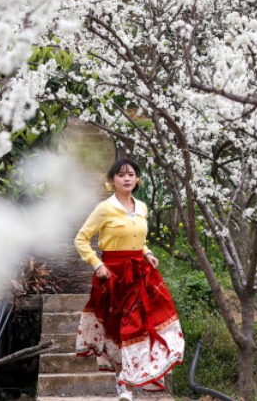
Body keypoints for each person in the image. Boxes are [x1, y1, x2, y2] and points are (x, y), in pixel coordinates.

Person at [74, 159, 184, 401]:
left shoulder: (142, 207)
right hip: (113, 275)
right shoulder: (104, 208)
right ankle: (122, 383)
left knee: (141, 325)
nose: (126, 178)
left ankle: (128, 385)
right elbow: (81, 239)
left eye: (131, 174)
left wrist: (148, 253)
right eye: (121, 175)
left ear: (137, 180)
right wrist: (98, 264)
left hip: (141, 274)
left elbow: (139, 240)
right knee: (116, 331)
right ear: (112, 180)